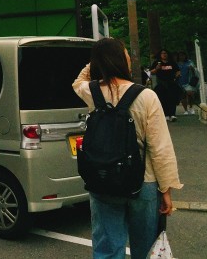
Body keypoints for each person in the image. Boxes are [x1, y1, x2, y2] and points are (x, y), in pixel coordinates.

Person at [73, 38, 182, 259]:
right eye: (125, 54)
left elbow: (79, 80)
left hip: (102, 179)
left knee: (107, 248)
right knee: (144, 248)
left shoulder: (92, 92)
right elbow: (160, 149)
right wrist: (167, 190)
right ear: (120, 60)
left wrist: (96, 59)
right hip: (143, 182)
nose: (130, 58)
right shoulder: (146, 96)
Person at [150, 49, 181, 121]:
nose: (164, 55)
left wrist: (177, 75)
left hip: (171, 83)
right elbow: (151, 72)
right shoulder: (157, 63)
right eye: (162, 53)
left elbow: (178, 71)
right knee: (163, 99)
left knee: (172, 98)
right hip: (161, 83)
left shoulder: (172, 63)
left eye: (165, 53)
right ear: (160, 55)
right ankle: (166, 114)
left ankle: (172, 114)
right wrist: (157, 68)